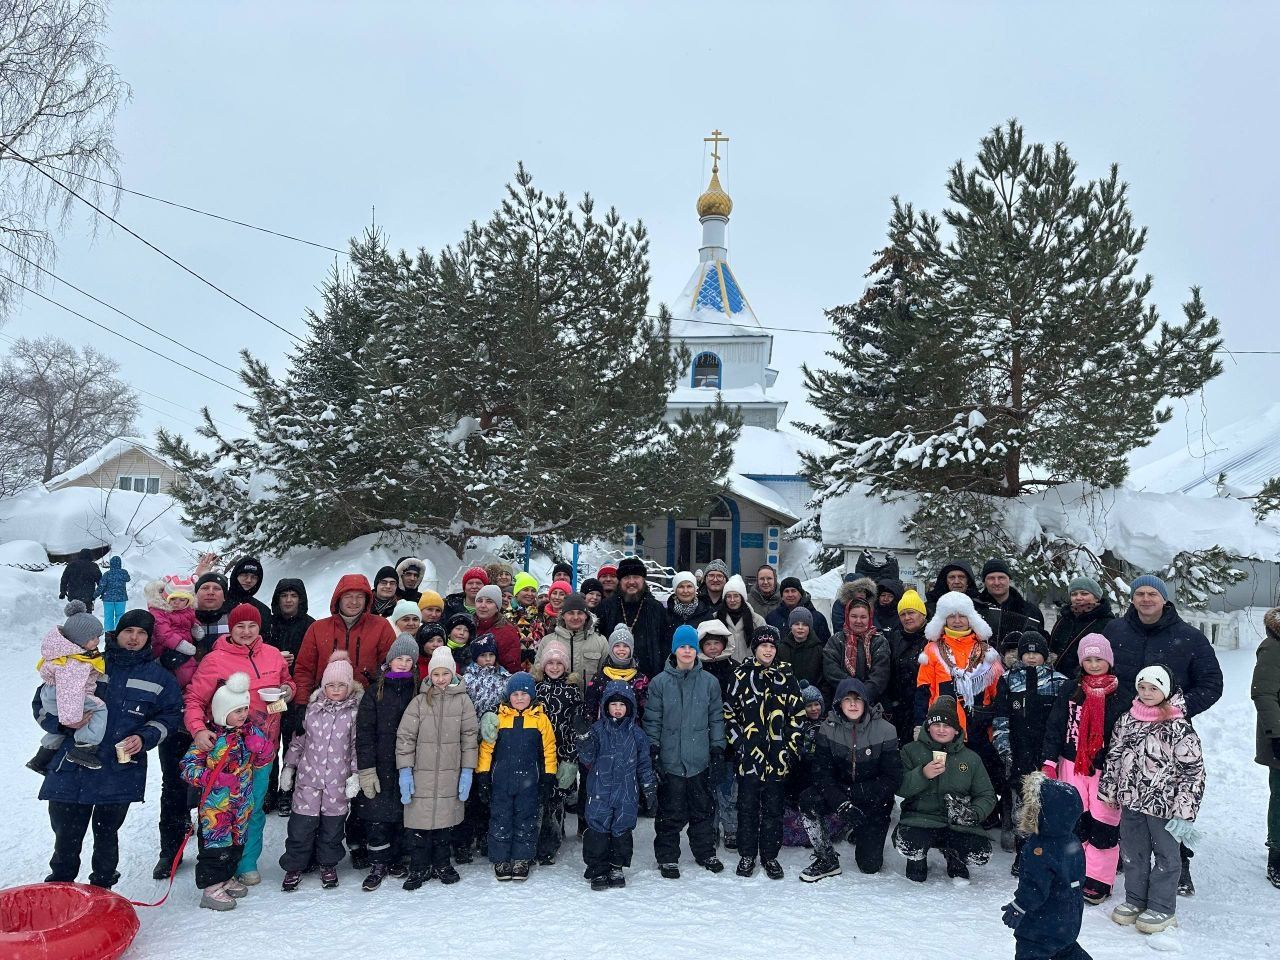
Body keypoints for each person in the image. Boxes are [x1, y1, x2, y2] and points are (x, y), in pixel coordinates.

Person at [34, 609, 182, 889]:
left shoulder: (159, 678)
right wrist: (64, 724)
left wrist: (144, 737)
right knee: (65, 836)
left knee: (107, 835)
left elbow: (171, 715)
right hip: (73, 766)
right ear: (117, 633)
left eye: (141, 633)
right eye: (129, 631)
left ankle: (102, 889)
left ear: (149, 638)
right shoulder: (86, 662)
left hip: (119, 769)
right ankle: (60, 889)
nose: (134, 638)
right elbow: (42, 703)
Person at [1105, 573, 1223, 896]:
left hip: (1168, 738)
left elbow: (1212, 683)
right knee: (1128, 793)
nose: (1146, 599)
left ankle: (1178, 862)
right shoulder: (1115, 631)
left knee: (1169, 798)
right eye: (1140, 593)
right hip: (1125, 730)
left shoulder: (1188, 637)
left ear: (1164, 599)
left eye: (1152, 594)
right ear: (1132, 598)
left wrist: (1178, 709)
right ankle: (1128, 858)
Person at [184, 603, 296, 885]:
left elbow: (288, 683)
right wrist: (198, 730)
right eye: (240, 626)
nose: (246, 632)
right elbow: (194, 700)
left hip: (263, 749)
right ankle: (221, 866)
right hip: (228, 753)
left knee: (253, 809)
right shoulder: (215, 660)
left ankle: (246, 862)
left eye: (252, 626)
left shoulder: (273, 655)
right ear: (231, 628)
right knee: (222, 811)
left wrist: (287, 690)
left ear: (260, 627)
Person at [1099, 664, 1206, 935]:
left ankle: (1162, 907)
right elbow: (1114, 757)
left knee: (1166, 857)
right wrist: (1110, 790)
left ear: (1166, 691)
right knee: (1133, 853)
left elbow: (1193, 772)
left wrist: (1184, 811)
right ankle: (1135, 900)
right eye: (1142, 687)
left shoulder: (1178, 726)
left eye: (1154, 688)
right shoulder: (1127, 720)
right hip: (1132, 802)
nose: (1147, 693)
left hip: (1165, 807)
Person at [1041, 633, 1128, 903]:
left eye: (1099, 659)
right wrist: (1049, 760)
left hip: (1106, 770)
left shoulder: (1122, 694)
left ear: (1109, 660)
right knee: (1074, 821)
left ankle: (1099, 879)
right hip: (1072, 764)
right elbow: (1055, 725)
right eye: (1088, 660)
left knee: (1104, 824)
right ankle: (1073, 872)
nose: (1093, 664)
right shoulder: (1071, 689)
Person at [180, 671, 274, 910]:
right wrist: (212, 778)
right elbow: (187, 768)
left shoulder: (250, 732)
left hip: (241, 804)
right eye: (237, 710)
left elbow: (265, 760)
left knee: (236, 843)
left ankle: (226, 877)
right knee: (217, 846)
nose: (243, 714)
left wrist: (262, 748)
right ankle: (211, 888)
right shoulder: (210, 738)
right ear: (222, 712)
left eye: (245, 709)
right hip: (216, 808)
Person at [798, 677, 902, 882]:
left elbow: (893, 778)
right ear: (839, 703)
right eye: (847, 699)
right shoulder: (827, 728)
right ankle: (826, 858)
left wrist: (857, 794)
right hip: (841, 792)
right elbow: (821, 774)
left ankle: (858, 829)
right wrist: (841, 803)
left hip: (874, 799)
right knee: (808, 799)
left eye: (857, 699)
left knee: (869, 866)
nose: (853, 704)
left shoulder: (886, 730)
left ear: (865, 702)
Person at [644, 624, 726, 878]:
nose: (687, 651)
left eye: (691, 646)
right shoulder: (659, 683)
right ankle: (667, 856)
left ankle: (705, 851)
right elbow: (653, 720)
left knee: (702, 810)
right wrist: (653, 749)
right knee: (670, 811)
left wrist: (717, 748)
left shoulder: (709, 683)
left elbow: (716, 718)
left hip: (699, 759)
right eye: (683, 647)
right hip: (671, 760)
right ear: (675, 650)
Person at [724, 625, 805, 879]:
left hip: (777, 758)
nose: (768, 650)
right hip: (749, 757)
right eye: (763, 646)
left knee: (774, 809)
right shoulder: (741, 675)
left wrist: (790, 747)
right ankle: (747, 854)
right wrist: (739, 744)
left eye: (771, 646)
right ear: (755, 648)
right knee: (747, 808)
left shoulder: (787, 676)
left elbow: (797, 716)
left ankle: (770, 856)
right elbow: (729, 714)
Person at [395, 645, 479, 888]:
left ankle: (442, 863)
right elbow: (405, 737)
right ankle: (419, 866)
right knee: (419, 824)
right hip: (421, 774)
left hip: (450, 774)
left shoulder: (463, 702)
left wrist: (467, 771)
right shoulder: (419, 702)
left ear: (453, 674)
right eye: (436, 674)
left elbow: (469, 738)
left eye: (445, 673)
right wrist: (405, 770)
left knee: (444, 823)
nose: (440, 679)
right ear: (429, 675)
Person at [278, 654, 362, 891]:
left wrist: (355, 774)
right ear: (323, 686)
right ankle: (295, 865)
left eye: (341, 685)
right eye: (330, 685)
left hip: (337, 782)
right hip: (308, 780)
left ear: (349, 686)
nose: (335, 690)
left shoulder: (354, 714)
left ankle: (328, 863)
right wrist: (289, 767)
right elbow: (298, 742)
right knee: (301, 827)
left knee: (332, 828)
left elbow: (356, 746)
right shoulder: (312, 710)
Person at [894, 695, 996, 882]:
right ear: (928, 727)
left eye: (947, 725)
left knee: (980, 854)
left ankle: (955, 855)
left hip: (957, 823)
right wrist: (922, 774)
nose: (941, 730)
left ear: (956, 730)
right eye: (936, 724)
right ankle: (917, 858)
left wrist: (974, 813)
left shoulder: (971, 758)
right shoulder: (910, 751)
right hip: (920, 819)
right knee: (911, 847)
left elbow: (987, 795)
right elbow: (899, 788)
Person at [474, 672, 558, 881]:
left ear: (532, 696)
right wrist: (483, 775)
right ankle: (501, 859)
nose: (519, 698)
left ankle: (522, 858)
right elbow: (486, 749)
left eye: (524, 694)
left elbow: (549, 750)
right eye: (515, 694)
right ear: (508, 696)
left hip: (529, 782)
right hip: (501, 781)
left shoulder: (540, 719)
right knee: (500, 819)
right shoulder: (499, 718)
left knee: (526, 819)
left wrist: (549, 776)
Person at [1000, 774, 1093, 960]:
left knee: (1032, 950)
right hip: (1069, 915)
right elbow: (1078, 876)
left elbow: (1035, 886)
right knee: (1064, 947)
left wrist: (1019, 905)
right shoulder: (1072, 841)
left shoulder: (1039, 849)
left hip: (1043, 920)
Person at [992, 632, 1067, 860]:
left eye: (1036, 653)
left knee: (1047, 800)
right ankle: (1023, 852)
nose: (1032, 657)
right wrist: (1004, 746)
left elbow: (1064, 720)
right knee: (1022, 802)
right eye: (1027, 653)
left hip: (1048, 751)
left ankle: (1045, 852)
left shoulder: (1059, 681)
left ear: (1045, 655)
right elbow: (1001, 716)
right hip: (1018, 749)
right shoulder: (1008, 679)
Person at [356, 635, 420, 890]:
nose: (403, 663)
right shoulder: (375, 692)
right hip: (380, 762)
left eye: (408, 660)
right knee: (378, 815)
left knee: (404, 814)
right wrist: (366, 768)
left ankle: (397, 858)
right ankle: (378, 862)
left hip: (408, 763)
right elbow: (364, 732)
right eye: (399, 658)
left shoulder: (418, 691)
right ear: (389, 660)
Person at [578, 680, 656, 890]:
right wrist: (584, 738)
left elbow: (644, 764)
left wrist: (649, 788)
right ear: (606, 706)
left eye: (622, 705)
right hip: (600, 790)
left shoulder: (637, 734)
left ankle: (616, 866)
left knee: (622, 829)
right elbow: (587, 759)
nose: (618, 709)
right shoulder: (597, 730)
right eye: (613, 704)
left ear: (630, 707)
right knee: (598, 829)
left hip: (626, 792)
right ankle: (598, 868)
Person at [30, 601, 108, 772]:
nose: (97, 641)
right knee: (99, 709)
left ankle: (42, 758)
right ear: (79, 640)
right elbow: (71, 691)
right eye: (93, 638)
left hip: (52, 694)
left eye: (98, 636)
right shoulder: (74, 663)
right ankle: (84, 748)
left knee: (61, 729)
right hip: (62, 695)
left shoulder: (68, 654)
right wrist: (71, 719)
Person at [294, 574, 397, 700]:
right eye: (348, 596)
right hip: (324, 704)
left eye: (360, 597)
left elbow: (391, 667)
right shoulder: (317, 628)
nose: (354, 602)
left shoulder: (381, 626)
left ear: (366, 600)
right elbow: (304, 671)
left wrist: (382, 700)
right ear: (339, 599)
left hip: (367, 702)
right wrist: (302, 702)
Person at [265, 578, 314, 817]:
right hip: (270, 695)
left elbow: (314, 659)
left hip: (298, 694)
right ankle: (268, 791)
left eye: (293, 596)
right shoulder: (268, 624)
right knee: (269, 742)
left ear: (300, 599)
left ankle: (288, 791)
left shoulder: (310, 625)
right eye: (284, 596)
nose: (288, 600)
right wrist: (275, 657)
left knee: (294, 743)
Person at [533, 638, 583, 865]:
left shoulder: (572, 691)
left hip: (562, 754)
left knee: (556, 799)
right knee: (539, 799)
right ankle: (536, 840)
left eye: (559, 663)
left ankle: (550, 845)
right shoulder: (535, 689)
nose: (554, 667)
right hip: (538, 754)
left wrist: (571, 758)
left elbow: (576, 727)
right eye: (550, 663)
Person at [696, 619, 737, 848]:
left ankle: (731, 826)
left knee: (728, 785)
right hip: (702, 733)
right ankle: (710, 827)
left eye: (716, 643)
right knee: (707, 786)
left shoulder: (735, 668)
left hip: (729, 736)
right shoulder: (696, 669)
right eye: (708, 643)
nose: (712, 648)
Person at [596, 556, 668, 680]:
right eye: (626, 578)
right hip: (612, 676)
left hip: (649, 677)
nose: (631, 582)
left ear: (643, 580)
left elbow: (664, 645)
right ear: (620, 582)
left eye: (636, 577)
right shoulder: (606, 607)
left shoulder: (656, 609)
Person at [1253, 607, 1280, 889]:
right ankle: (1277, 854)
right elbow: (1263, 693)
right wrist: (1277, 735)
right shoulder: (1273, 647)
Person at [822, 597, 891, 706]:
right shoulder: (836, 641)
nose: (858, 621)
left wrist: (863, 694)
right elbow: (831, 670)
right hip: (841, 700)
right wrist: (851, 689)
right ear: (847, 617)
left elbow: (880, 674)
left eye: (863, 617)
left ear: (870, 618)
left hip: (872, 703)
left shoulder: (879, 641)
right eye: (854, 616)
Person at [534, 592, 607, 687]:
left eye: (580, 613)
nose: (576, 617)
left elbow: (605, 676)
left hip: (589, 696)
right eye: (570, 613)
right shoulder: (547, 641)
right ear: (563, 615)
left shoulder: (601, 642)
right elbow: (538, 674)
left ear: (586, 616)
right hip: (555, 696)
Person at [885, 589, 928, 747]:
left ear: (922, 614)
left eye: (911, 612)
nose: (907, 617)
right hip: (899, 708)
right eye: (902, 614)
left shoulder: (933, 638)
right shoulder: (895, 638)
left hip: (924, 707)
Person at [1048, 576, 1114, 677]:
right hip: (1055, 678)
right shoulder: (1064, 618)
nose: (1078, 597)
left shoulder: (1106, 622)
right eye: (1074, 594)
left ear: (1096, 597)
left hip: (1086, 679)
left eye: (1084, 593)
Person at [584, 625, 650, 723]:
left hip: (632, 730)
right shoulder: (599, 678)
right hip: (603, 730)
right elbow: (590, 709)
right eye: (617, 645)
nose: (621, 649)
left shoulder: (640, 680)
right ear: (610, 648)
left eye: (626, 646)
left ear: (631, 649)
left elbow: (646, 711)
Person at [978, 558, 1046, 637]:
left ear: (1009, 580)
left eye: (1001, 578)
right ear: (984, 581)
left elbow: (1042, 641)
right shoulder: (974, 609)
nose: (996, 583)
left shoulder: (1031, 612)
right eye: (991, 578)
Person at [766, 577, 831, 646]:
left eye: (793, 591)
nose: (790, 595)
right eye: (786, 591)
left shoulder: (817, 618)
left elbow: (825, 646)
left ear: (800, 594)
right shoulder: (772, 618)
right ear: (782, 596)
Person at [474, 584, 521, 673]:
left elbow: (512, 667)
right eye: (479, 601)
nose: (483, 605)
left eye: (489, 602)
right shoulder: (468, 626)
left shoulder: (507, 632)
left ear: (497, 608)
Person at [716, 574, 762, 661]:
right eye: (728, 596)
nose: (732, 600)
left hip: (750, 666)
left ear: (742, 598)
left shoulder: (757, 620)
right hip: (725, 666)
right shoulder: (716, 619)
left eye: (736, 596)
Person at [777, 607, 823, 690]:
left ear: (810, 627)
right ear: (791, 626)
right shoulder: (782, 649)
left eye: (805, 624)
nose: (800, 627)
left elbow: (822, 677)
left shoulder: (818, 649)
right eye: (796, 624)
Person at [226, 556, 272, 635]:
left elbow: (265, 640)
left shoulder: (263, 611)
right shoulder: (218, 603)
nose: (249, 580)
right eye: (245, 575)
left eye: (254, 577)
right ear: (235, 575)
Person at [666, 570, 717, 643]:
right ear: (675, 590)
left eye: (689, 586)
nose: (685, 591)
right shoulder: (666, 614)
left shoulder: (706, 613)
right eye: (681, 587)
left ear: (695, 589)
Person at [830, 574, 876, 640]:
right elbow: (839, 626)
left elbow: (875, 624)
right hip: (846, 640)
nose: (862, 594)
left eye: (864, 591)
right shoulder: (840, 604)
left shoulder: (869, 605)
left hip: (868, 639)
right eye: (859, 591)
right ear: (850, 592)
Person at [94, 556, 131, 631]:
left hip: (108, 599)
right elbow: (128, 579)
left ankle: (108, 632)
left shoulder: (107, 574)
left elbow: (101, 586)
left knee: (108, 617)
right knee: (120, 616)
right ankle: (117, 631)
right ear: (120, 563)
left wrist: (95, 595)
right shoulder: (123, 573)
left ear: (111, 564)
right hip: (121, 598)